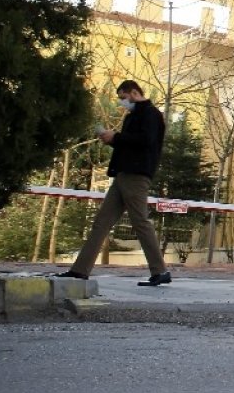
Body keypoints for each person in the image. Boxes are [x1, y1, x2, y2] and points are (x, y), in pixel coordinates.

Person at [56, 80, 170, 286]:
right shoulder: (133, 116)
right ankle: (80, 270)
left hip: (136, 175)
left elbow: (146, 141)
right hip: (123, 174)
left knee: (140, 222)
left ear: (134, 93)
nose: (122, 103)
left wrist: (116, 138)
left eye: (123, 98)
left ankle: (160, 270)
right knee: (101, 222)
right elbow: (131, 142)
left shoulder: (151, 114)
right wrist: (112, 139)